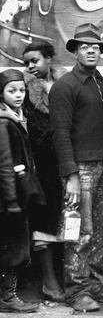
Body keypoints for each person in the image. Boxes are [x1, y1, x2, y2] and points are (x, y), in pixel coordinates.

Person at [49, 24, 103, 313]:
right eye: (84, 46)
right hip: (79, 169)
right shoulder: (65, 86)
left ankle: (95, 284)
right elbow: (60, 133)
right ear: (75, 51)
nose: (91, 50)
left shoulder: (102, 84)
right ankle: (76, 291)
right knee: (79, 231)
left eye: (96, 47)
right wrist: (71, 176)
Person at [21, 41, 67, 302]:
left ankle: (64, 278)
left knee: (66, 220)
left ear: (49, 59)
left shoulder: (64, 84)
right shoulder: (27, 92)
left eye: (35, 60)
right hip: (43, 166)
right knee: (44, 219)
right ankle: (49, 282)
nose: (30, 66)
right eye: (26, 62)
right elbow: (37, 131)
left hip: (66, 162)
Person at [0, 69, 43, 314]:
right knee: (13, 248)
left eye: (22, 90)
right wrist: (12, 200)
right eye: (11, 90)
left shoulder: (15, 118)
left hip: (14, 195)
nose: (18, 95)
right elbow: (5, 166)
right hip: (9, 198)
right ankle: (7, 298)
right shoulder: (4, 123)